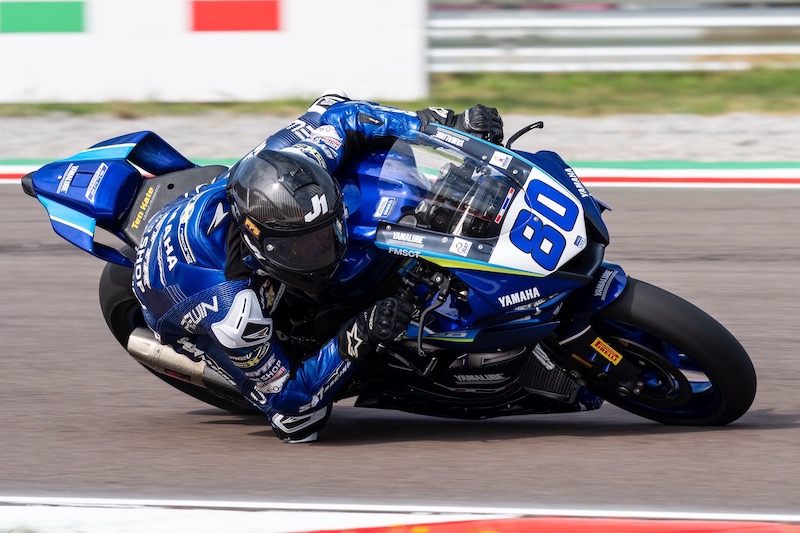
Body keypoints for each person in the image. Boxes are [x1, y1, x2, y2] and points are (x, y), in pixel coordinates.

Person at [131, 92, 504, 442]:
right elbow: (291, 410)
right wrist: (359, 334)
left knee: (336, 111)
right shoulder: (234, 310)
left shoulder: (299, 160)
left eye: (326, 233)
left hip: (210, 201)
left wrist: (447, 125)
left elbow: (345, 116)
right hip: (179, 299)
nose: (326, 248)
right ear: (264, 246)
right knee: (301, 419)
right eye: (305, 246)